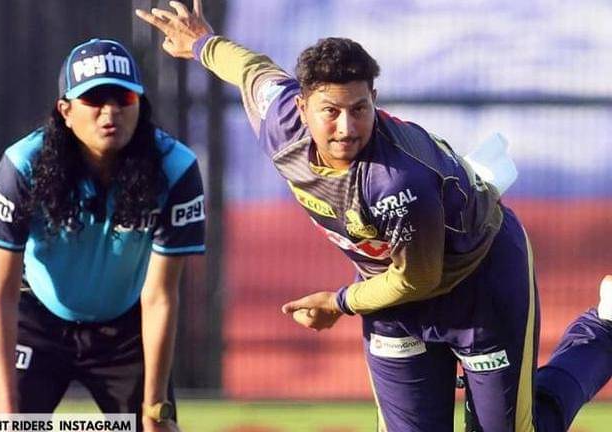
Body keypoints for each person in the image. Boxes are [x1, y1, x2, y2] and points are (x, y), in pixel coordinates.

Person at [135, 2, 612, 431]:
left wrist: (338, 303)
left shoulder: (396, 180)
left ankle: (603, 330)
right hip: (392, 297)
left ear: (374, 100)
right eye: (330, 111)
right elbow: (251, 70)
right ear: (301, 107)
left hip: (479, 283)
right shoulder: (280, 120)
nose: (346, 127)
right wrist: (202, 43)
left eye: (359, 109)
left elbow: (417, 278)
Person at [0, 37, 205, 431]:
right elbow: (1, 293)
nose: (110, 111)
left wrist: (155, 409)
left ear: (140, 104)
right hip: (35, 319)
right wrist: (8, 412)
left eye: (124, 99)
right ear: (65, 110)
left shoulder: (175, 169)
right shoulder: (23, 165)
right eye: (94, 99)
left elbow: (160, 296)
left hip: (126, 327)